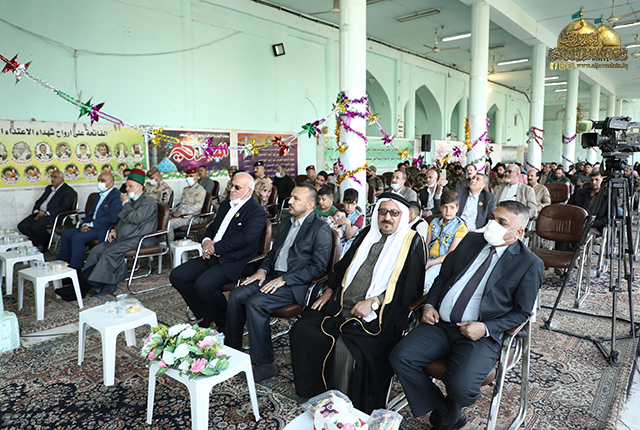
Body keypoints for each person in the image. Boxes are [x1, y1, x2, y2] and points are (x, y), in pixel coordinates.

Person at [390, 201, 543, 430]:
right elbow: (443, 278)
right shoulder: (471, 240)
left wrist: (485, 328)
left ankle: (451, 411)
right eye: (492, 218)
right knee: (400, 357)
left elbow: (522, 313)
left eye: (501, 222)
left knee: (461, 386)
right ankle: (443, 410)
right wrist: (429, 305)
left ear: (518, 233)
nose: (492, 224)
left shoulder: (529, 263)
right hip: (441, 324)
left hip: (480, 334)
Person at [290, 193, 425, 413]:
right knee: (303, 330)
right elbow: (342, 266)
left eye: (394, 213)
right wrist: (330, 288)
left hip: (380, 315)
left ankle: (344, 407)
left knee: (347, 348)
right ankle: (316, 394)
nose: (387, 217)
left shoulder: (412, 242)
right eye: (383, 211)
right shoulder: (366, 233)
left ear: (402, 216)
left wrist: (374, 301)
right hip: (340, 305)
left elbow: (410, 289)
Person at [225, 183, 332, 382]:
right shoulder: (286, 222)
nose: (289, 201)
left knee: (256, 303)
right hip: (273, 275)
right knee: (236, 295)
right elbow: (273, 253)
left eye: (296, 199)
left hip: (296, 284)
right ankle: (233, 349)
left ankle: (266, 363)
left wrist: (285, 279)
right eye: (291, 196)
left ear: (310, 205)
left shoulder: (320, 228)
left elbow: (318, 268)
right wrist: (263, 271)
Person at [170, 172, 266, 332]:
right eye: (232, 185)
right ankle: (208, 312)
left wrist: (215, 247)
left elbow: (245, 239)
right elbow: (212, 227)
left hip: (236, 260)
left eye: (237, 187)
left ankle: (225, 322)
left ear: (248, 191)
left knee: (203, 286)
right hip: (213, 255)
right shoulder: (226, 205)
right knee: (177, 276)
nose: (232, 190)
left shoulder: (256, 211)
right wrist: (206, 241)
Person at [60, 169, 158, 298]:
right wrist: (115, 230)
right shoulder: (132, 200)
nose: (126, 189)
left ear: (139, 187)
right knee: (97, 250)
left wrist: (125, 203)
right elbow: (123, 219)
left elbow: (135, 218)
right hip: (125, 237)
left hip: (139, 239)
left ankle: (87, 287)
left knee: (110, 253)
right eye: (126, 186)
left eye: (130, 186)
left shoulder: (147, 201)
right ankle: (81, 281)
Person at [56, 172, 122, 275]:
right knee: (66, 234)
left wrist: (91, 225)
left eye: (103, 181)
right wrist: (85, 224)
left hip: (103, 228)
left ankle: (76, 270)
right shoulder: (98, 195)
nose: (100, 183)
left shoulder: (116, 196)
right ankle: (62, 265)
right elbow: (90, 213)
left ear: (111, 183)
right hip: (91, 226)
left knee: (78, 238)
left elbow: (112, 218)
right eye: (99, 180)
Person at [18, 170, 76, 250]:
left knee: (35, 227)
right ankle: (41, 240)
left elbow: (64, 207)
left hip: (54, 215)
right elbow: (39, 201)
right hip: (40, 213)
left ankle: (44, 242)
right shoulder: (49, 188)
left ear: (62, 179)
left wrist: (46, 213)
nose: (52, 179)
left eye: (55, 177)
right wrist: (36, 211)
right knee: (22, 226)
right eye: (51, 177)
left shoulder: (68, 190)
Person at [423, 191, 467, 294]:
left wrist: (430, 263)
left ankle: (425, 301)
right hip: (428, 258)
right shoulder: (434, 222)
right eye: (445, 207)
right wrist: (424, 260)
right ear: (440, 207)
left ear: (457, 208)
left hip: (442, 262)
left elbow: (450, 255)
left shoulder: (460, 227)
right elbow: (426, 244)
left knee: (426, 282)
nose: (448, 211)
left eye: (452, 207)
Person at [167, 168, 206, 241]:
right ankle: (165, 243)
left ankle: (170, 244)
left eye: (191, 176)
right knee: (163, 220)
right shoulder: (185, 189)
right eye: (187, 176)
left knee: (169, 223)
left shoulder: (199, 190)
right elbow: (182, 205)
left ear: (196, 177)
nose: (188, 178)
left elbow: (198, 206)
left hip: (192, 217)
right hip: (181, 216)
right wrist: (173, 211)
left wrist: (182, 212)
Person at [334, 188, 364, 252]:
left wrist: (348, 223)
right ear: (343, 202)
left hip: (348, 244)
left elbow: (348, 237)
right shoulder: (339, 212)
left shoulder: (359, 217)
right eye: (347, 203)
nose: (349, 207)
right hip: (335, 239)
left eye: (353, 204)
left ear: (356, 204)